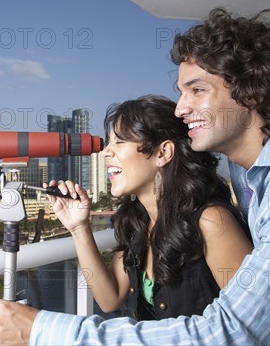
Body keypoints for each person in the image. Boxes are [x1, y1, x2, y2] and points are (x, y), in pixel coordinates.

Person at [0, 8, 270, 345]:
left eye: (197, 90)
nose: (181, 109)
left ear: (252, 93)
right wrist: (78, 227)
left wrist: (43, 329)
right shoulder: (247, 168)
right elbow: (111, 300)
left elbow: (233, 332)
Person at [44, 94, 252, 322]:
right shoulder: (138, 224)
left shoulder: (212, 222)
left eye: (120, 142)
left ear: (163, 153)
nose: (105, 153)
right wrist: (79, 227)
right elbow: (109, 298)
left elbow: (251, 323)